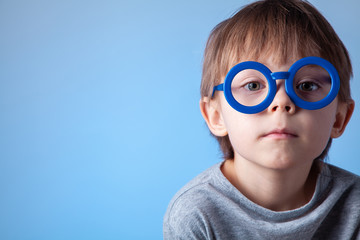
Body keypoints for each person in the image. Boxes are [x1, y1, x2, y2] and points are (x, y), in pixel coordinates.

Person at [163, 0, 360, 239]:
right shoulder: (196, 213)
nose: (282, 101)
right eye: (253, 85)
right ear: (215, 116)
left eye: (307, 85)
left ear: (340, 118)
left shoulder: (355, 206)